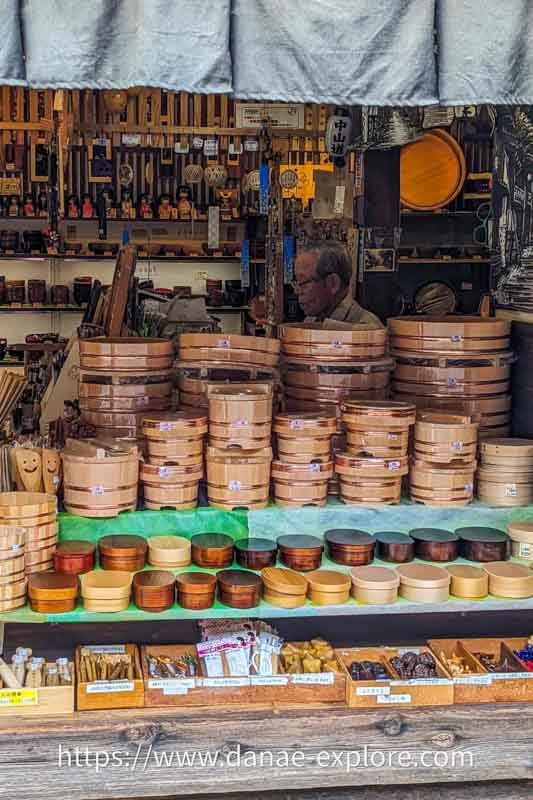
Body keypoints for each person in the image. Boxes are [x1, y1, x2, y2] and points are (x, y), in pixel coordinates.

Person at [293, 240, 383, 327]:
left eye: (303, 283)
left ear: (333, 283)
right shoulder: (310, 321)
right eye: (296, 283)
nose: (297, 291)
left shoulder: (366, 330)